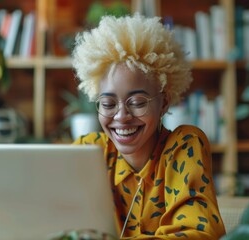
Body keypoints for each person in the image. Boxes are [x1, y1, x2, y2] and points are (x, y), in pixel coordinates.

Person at [71, 14, 226, 239]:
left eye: (137, 103)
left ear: (163, 102)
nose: (122, 116)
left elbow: (195, 234)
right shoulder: (89, 152)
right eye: (108, 104)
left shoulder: (184, 146)